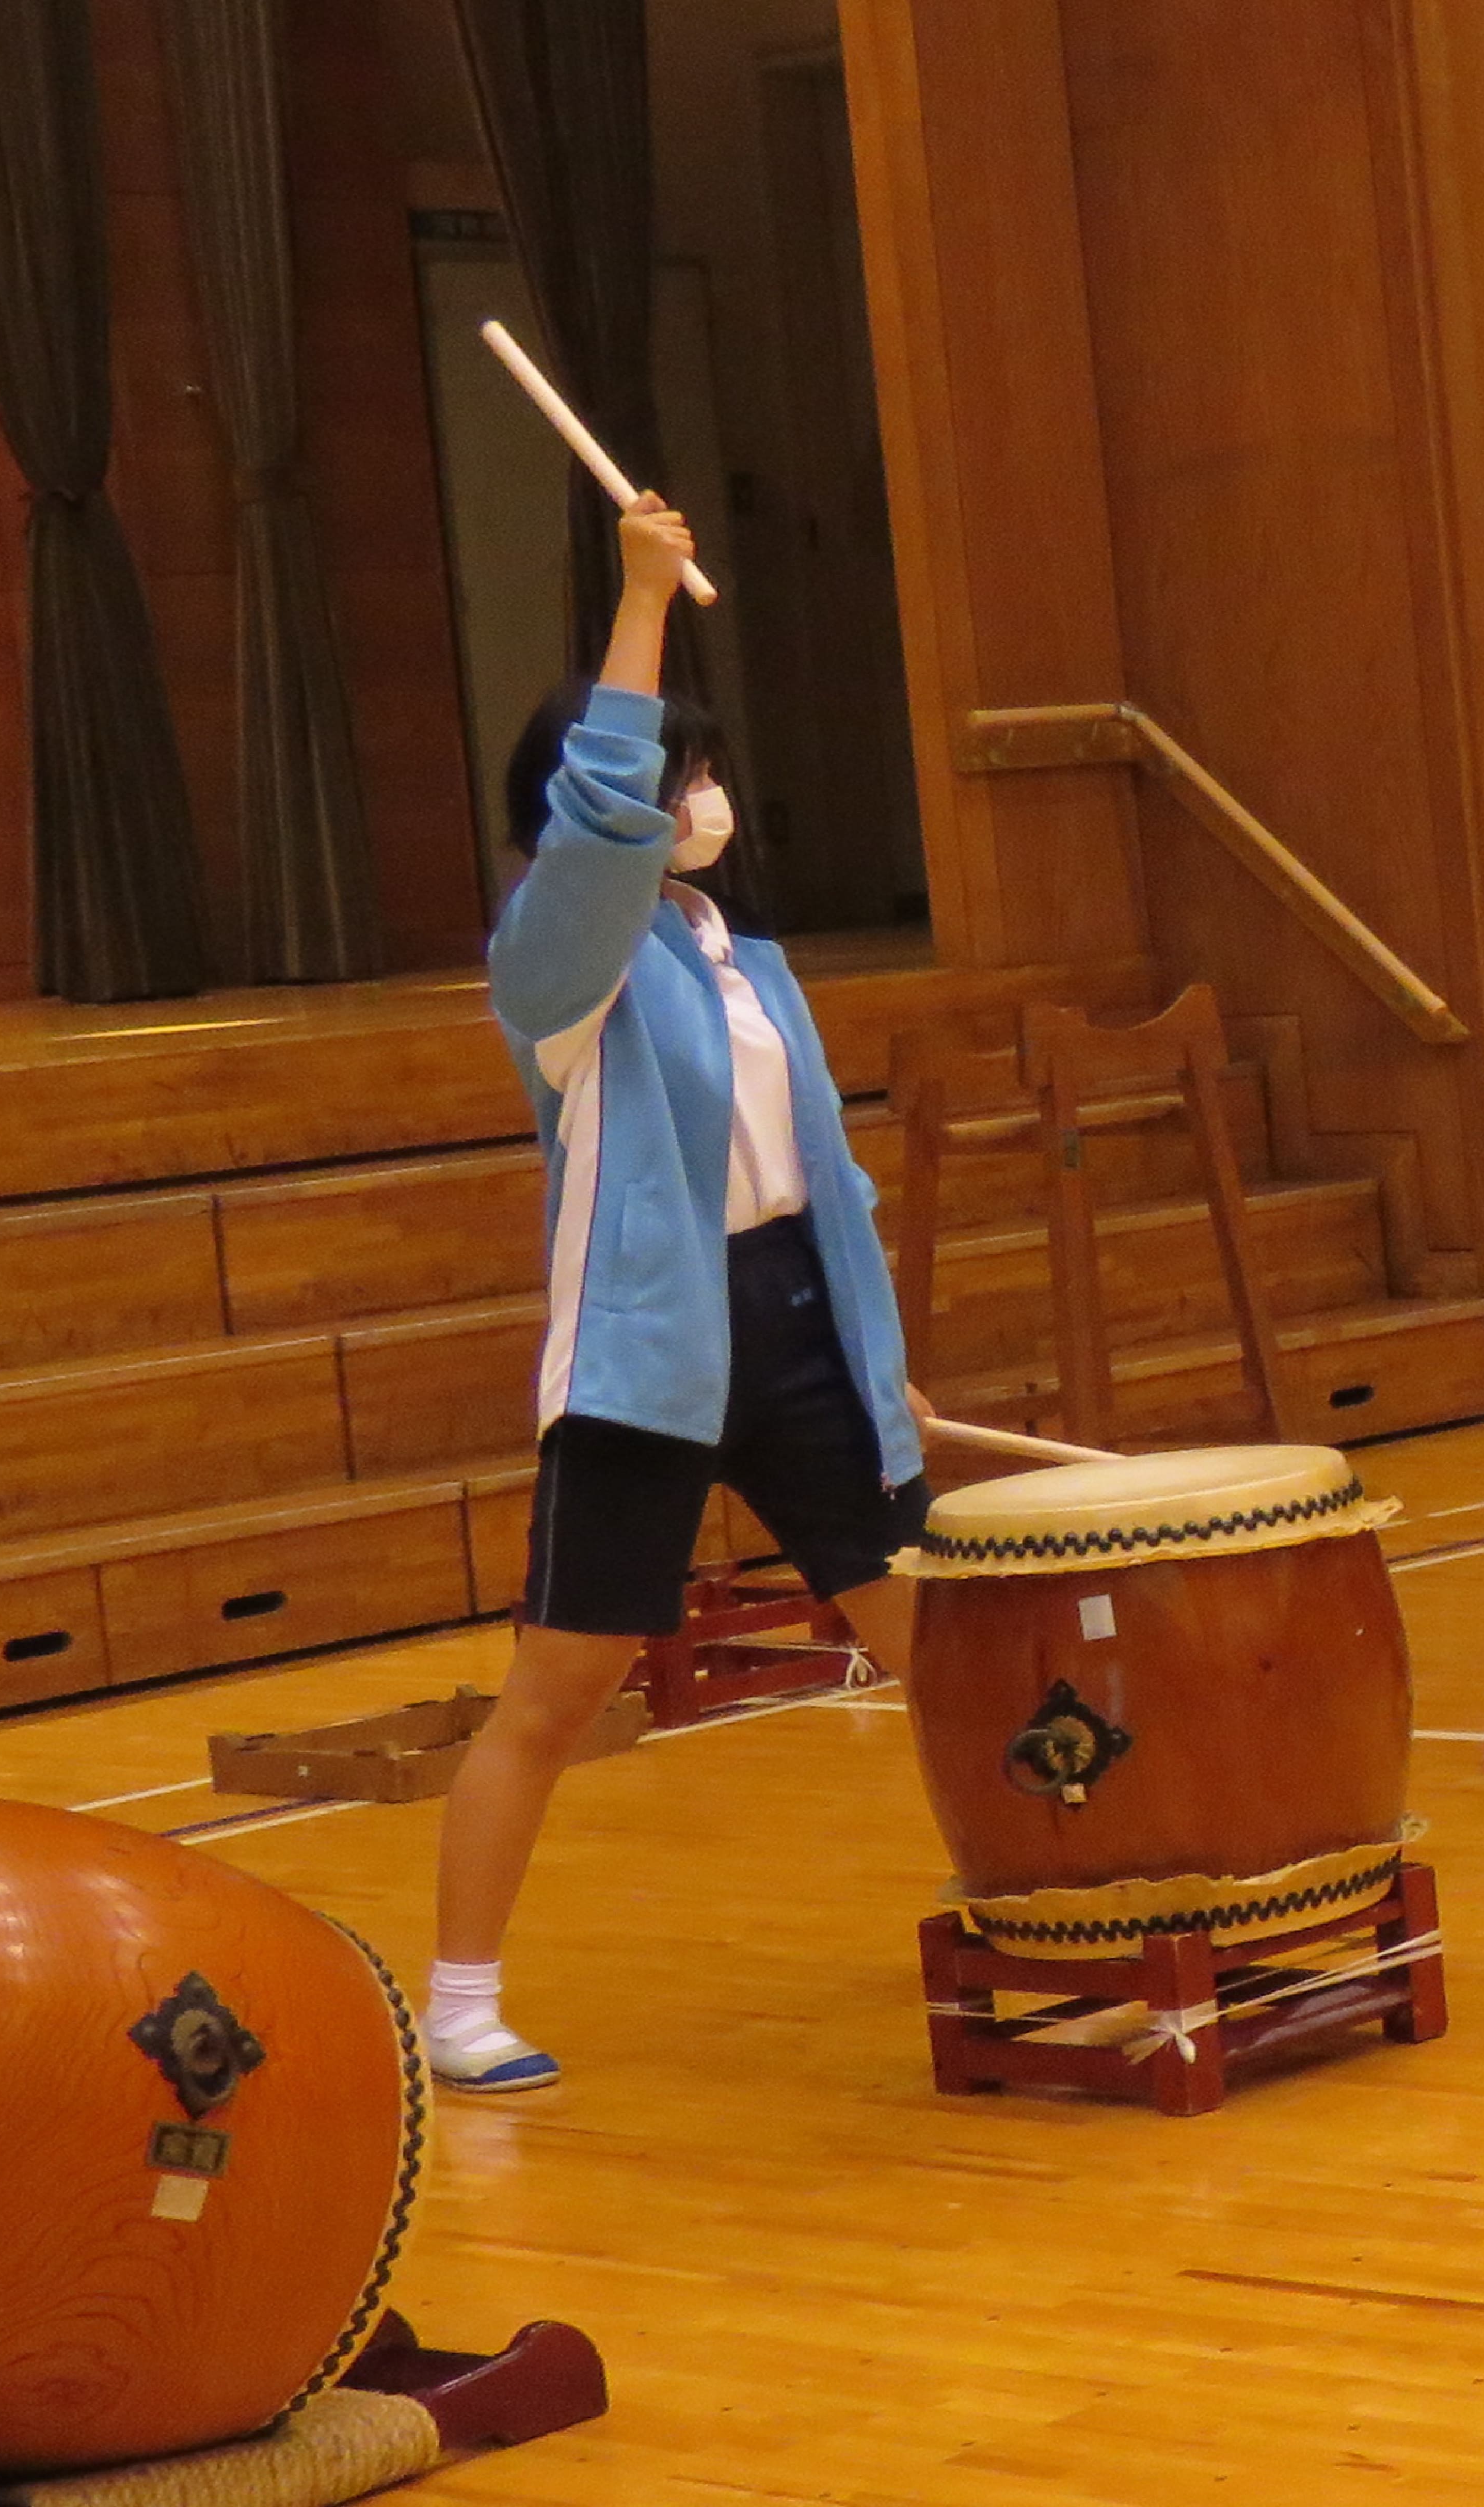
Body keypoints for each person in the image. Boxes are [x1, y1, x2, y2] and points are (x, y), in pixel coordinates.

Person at [430, 495, 932, 2095]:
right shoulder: (555, 966)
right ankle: (457, 2001)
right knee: (557, 1692)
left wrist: (880, 1363)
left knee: (940, 1643)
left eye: (703, 774)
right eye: (676, 774)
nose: (699, 800)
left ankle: (1042, 1901)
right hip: (652, 1352)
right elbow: (601, 817)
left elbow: (828, 1189)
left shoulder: (745, 957)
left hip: (791, 1326)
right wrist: (640, 596)